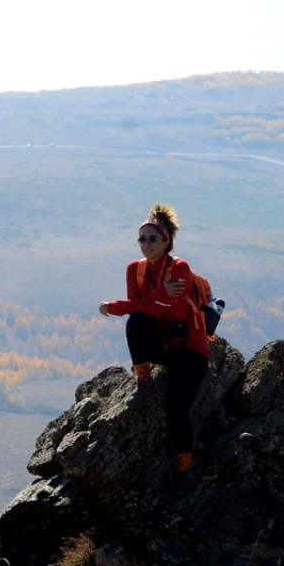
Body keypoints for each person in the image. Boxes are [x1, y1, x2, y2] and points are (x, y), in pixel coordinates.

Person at [99, 203, 210, 474]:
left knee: (176, 409)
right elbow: (142, 309)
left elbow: (154, 307)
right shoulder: (134, 270)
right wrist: (159, 294)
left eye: (152, 239)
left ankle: (185, 464)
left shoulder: (180, 268)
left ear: (166, 241)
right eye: (142, 239)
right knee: (136, 321)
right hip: (163, 345)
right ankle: (143, 380)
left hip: (190, 349)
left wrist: (114, 306)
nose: (146, 244)